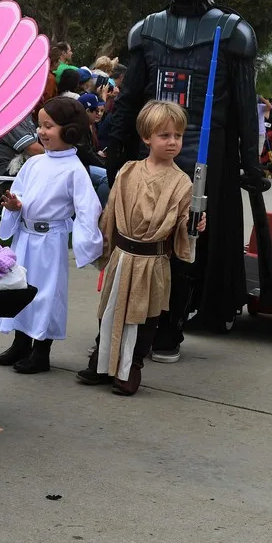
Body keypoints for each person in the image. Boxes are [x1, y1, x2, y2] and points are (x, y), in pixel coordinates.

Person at [106, 0, 272, 360]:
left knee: (190, 242)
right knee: (143, 239)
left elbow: (240, 106)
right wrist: (113, 144)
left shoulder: (233, 32)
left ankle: (172, 327)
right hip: (152, 154)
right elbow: (130, 99)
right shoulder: (147, 30)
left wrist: (250, 164)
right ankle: (141, 323)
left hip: (204, 153)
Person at [77, 101, 205, 395]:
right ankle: (101, 362)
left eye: (178, 136)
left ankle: (130, 368)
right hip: (123, 256)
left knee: (143, 315)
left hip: (153, 260)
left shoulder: (183, 183)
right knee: (109, 310)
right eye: (165, 135)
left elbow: (185, 220)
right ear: (147, 137)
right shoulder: (128, 171)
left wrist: (193, 225)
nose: (173, 142)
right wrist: (102, 246)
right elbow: (111, 213)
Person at [0, 97, 103, 374]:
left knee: (46, 293)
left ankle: (41, 349)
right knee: (20, 288)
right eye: (40, 125)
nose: (41, 132)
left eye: (48, 126)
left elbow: (88, 207)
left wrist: (86, 244)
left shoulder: (74, 169)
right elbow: (20, 191)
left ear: (70, 131)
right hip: (26, 238)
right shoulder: (35, 163)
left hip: (50, 241)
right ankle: (21, 341)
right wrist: (15, 206)